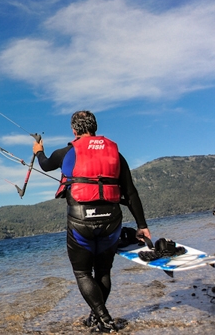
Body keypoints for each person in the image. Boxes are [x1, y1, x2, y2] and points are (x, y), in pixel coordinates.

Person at [32, 111, 151, 333]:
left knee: (82, 273)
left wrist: (39, 152)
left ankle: (104, 319)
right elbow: (131, 193)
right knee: (103, 272)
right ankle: (95, 317)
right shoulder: (116, 153)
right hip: (111, 220)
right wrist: (142, 226)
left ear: (74, 130)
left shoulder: (67, 152)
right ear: (94, 127)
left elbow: (46, 165)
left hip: (81, 221)